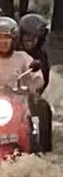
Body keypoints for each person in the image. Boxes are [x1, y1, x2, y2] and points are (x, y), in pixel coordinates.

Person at [17, 13, 53, 150]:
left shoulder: (41, 56)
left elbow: (44, 79)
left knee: (44, 109)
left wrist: (35, 92)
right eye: (26, 37)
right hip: (5, 94)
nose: (29, 41)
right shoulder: (10, 50)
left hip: (28, 94)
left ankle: (44, 148)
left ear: (40, 38)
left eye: (33, 38)